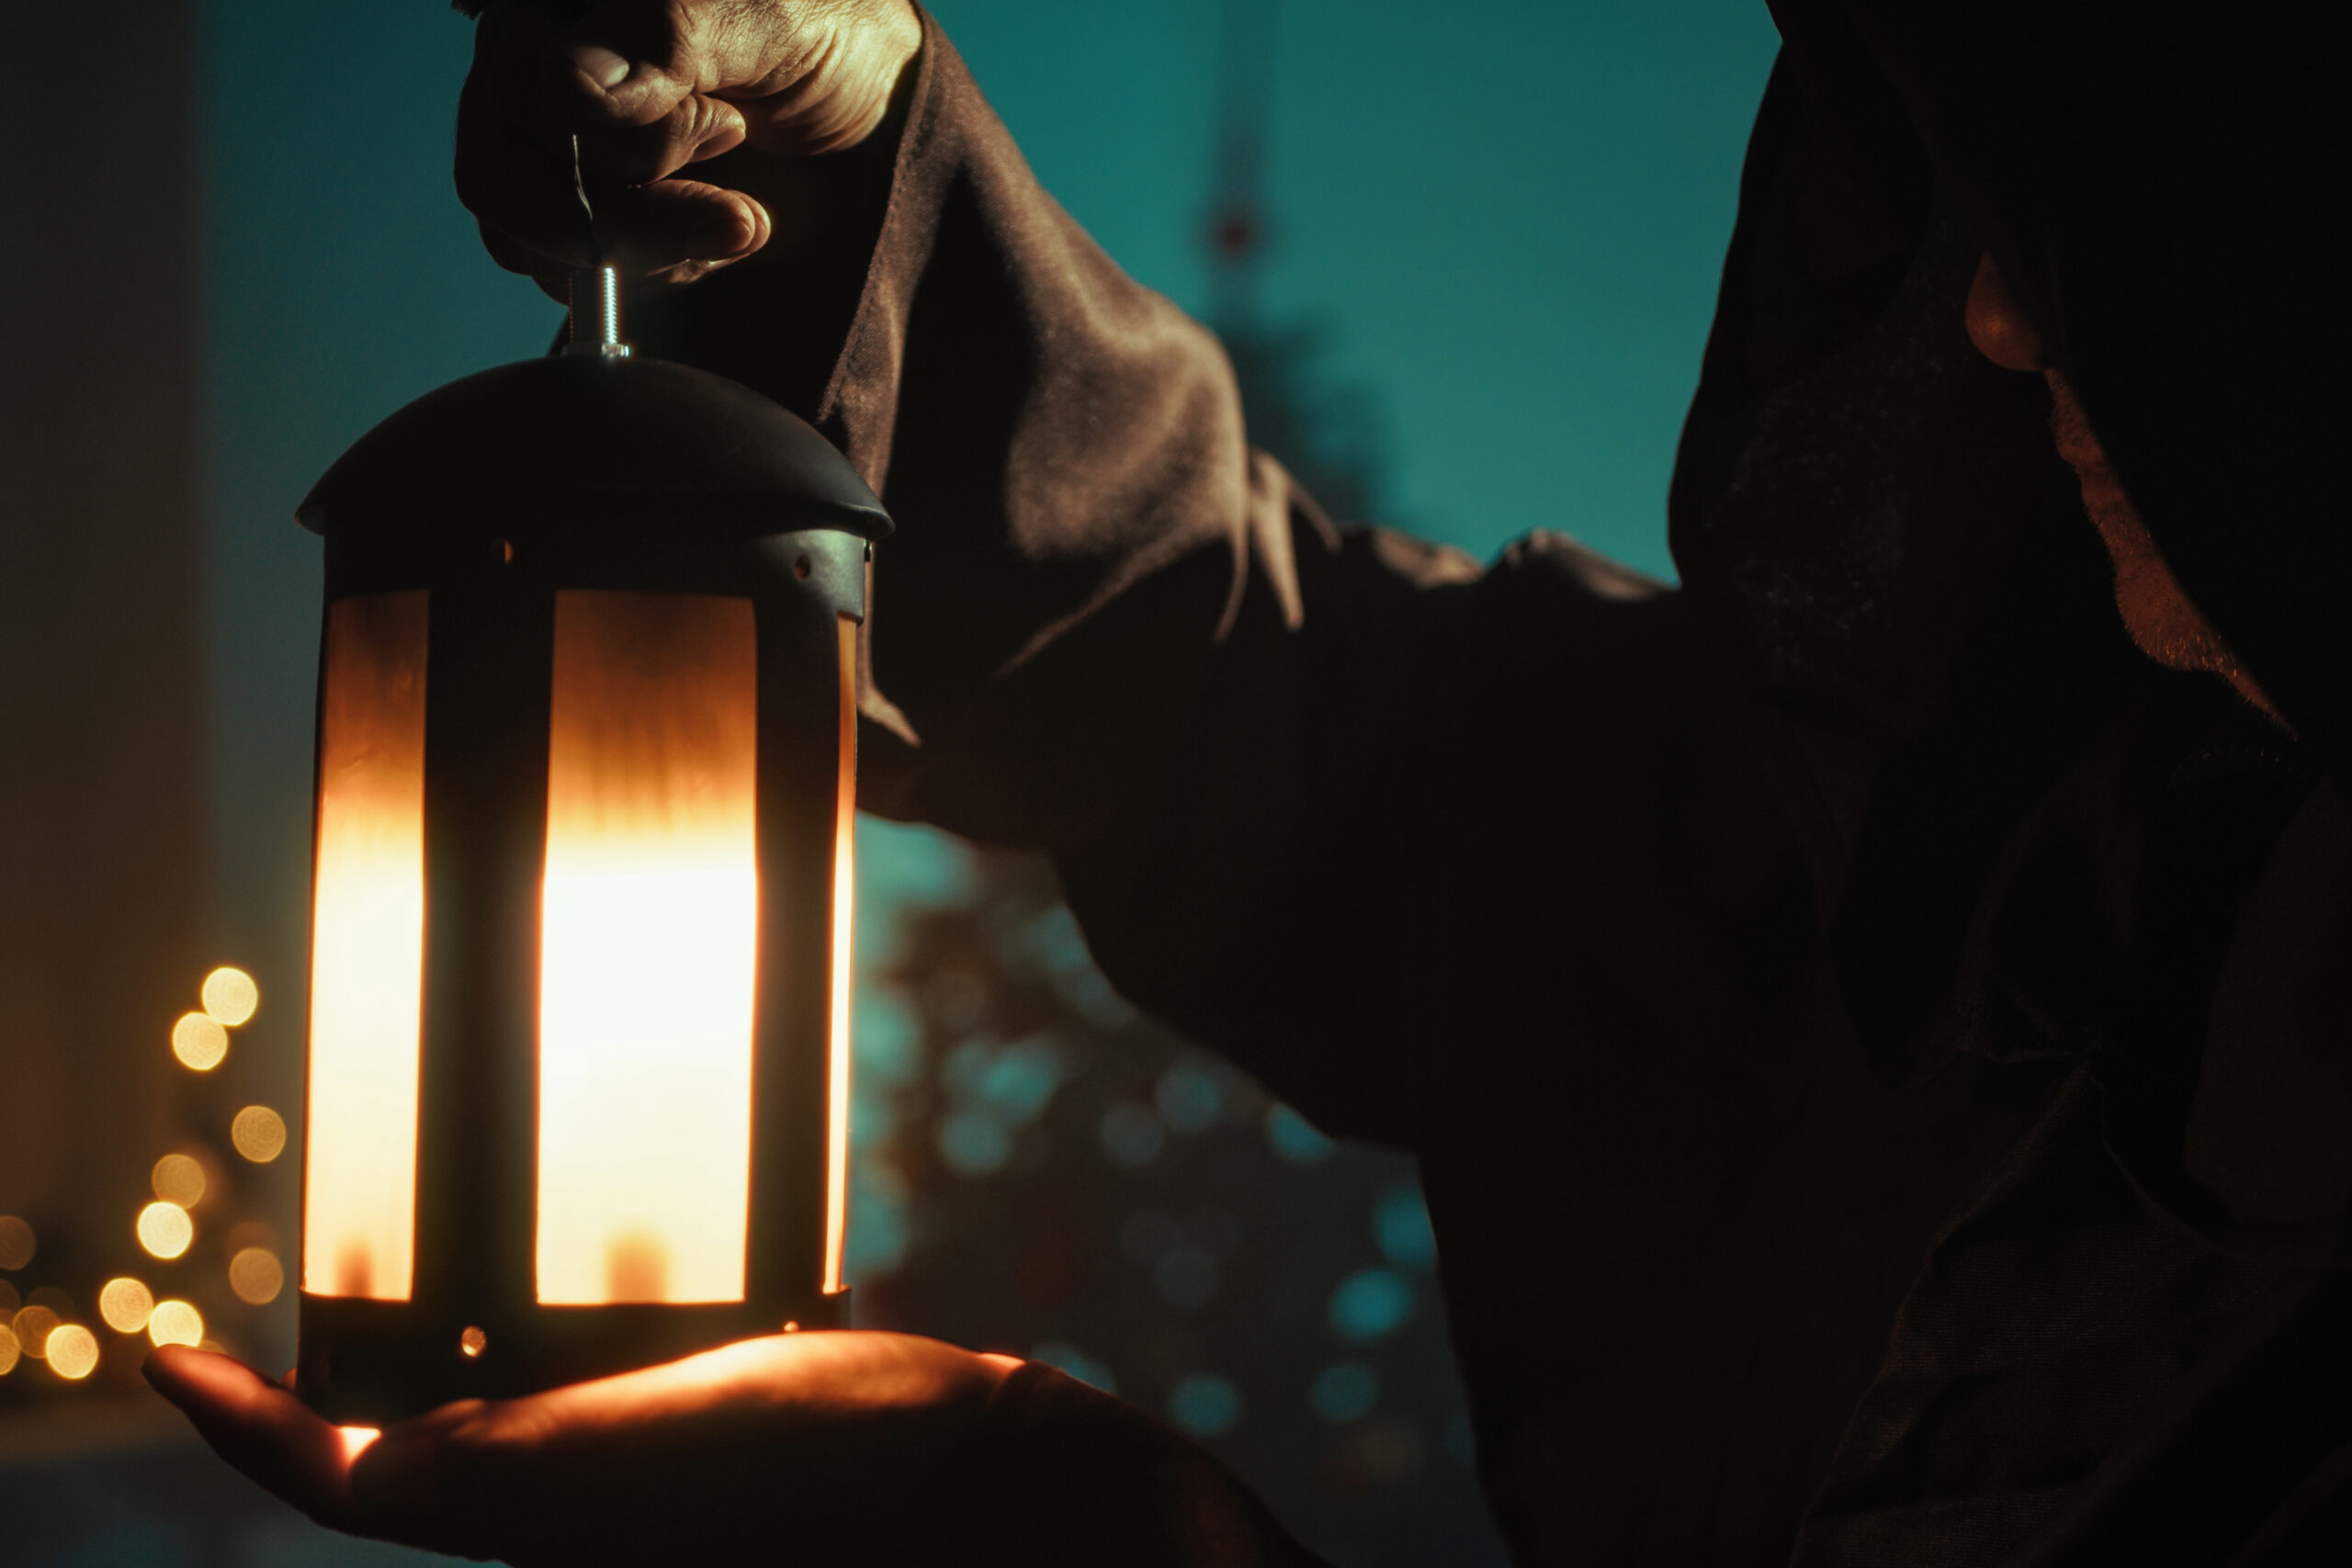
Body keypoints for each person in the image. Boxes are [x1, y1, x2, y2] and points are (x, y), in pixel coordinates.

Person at [150, 1, 2350, 1562]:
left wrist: (1076, 1524)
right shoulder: (2006, 834)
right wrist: (846, 181)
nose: (1982, 319)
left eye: (2118, 209)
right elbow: (1289, 709)